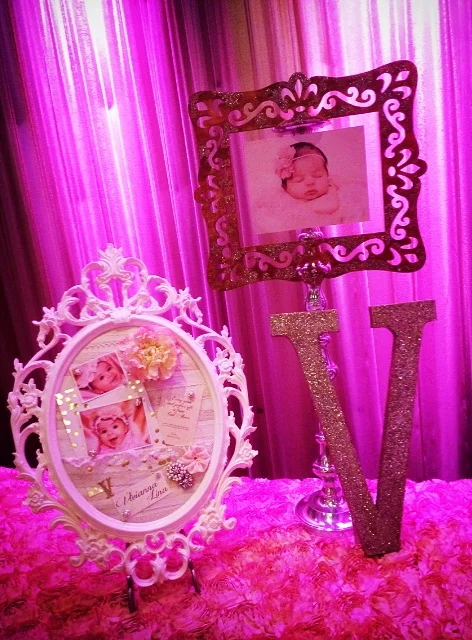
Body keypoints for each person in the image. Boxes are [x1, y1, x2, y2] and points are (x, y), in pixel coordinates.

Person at [277, 142, 340, 214]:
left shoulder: (334, 189)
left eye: (317, 176)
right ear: (284, 187)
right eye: (299, 180)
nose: (310, 182)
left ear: (327, 175)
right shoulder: (283, 203)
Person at [83, 398, 150, 455]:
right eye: (104, 431)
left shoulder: (134, 441)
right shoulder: (103, 452)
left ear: (125, 428)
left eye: (115, 427)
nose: (110, 433)